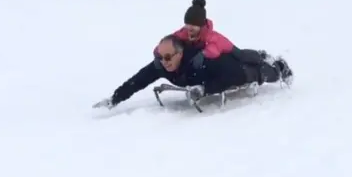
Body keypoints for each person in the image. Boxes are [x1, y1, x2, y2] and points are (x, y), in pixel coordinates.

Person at [92, 35, 293, 109]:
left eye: (169, 57)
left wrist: (205, 90)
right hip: (216, 73)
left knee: (254, 72)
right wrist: (115, 98)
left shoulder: (200, 60)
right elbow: (138, 80)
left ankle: (278, 66)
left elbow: (233, 76)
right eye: (160, 57)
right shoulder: (162, 64)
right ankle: (259, 54)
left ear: (181, 54)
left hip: (231, 68)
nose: (164, 62)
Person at [154, 0, 237, 69]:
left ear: (201, 26)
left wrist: (204, 54)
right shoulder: (183, 33)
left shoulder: (210, 36)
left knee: (242, 56)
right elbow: (169, 42)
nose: (189, 28)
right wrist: (158, 53)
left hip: (231, 51)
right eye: (187, 24)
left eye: (193, 25)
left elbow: (215, 48)